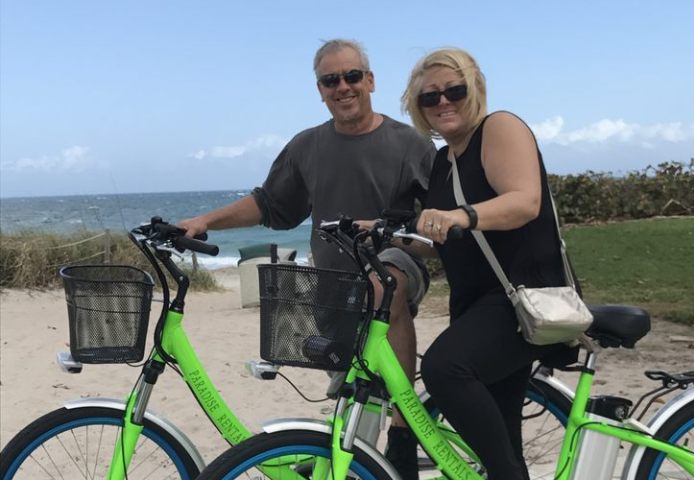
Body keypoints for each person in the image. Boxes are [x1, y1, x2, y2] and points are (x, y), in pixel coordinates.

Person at [178, 39, 434, 479]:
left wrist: (405, 237)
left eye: (352, 76)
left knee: (381, 286)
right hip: (336, 292)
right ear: (319, 90)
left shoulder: (411, 145)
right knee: (352, 410)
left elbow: (437, 226)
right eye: (331, 80)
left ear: (370, 80)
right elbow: (268, 204)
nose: (343, 87)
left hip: (398, 268)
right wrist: (205, 220)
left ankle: (405, 432)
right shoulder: (307, 147)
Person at [401, 48, 578, 479]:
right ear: (418, 107)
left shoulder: (500, 127)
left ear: (474, 88)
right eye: (430, 97)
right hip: (478, 305)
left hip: (522, 298)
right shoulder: (444, 159)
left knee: (444, 369)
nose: (443, 102)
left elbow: (524, 202)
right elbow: (449, 239)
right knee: (502, 436)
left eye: (454, 90)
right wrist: (392, 235)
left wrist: (460, 215)